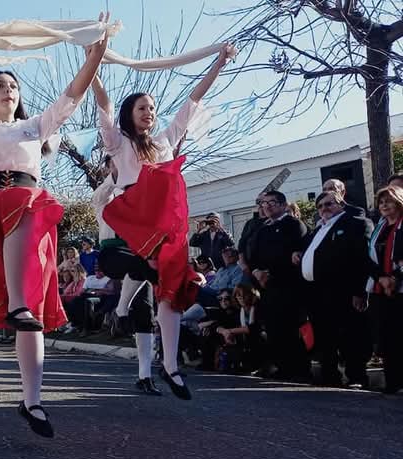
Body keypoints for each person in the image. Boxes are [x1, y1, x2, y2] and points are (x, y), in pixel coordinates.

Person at [0, 15, 107, 436]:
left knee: (31, 316)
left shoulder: (36, 126)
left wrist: (96, 53)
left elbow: (73, 95)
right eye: (0, 85)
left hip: (28, 214)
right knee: (23, 206)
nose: (8, 90)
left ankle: (32, 402)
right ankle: (16, 303)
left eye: (13, 85)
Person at [90, 42, 238, 400]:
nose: (150, 112)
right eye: (143, 107)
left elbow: (193, 101)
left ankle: (170, 367)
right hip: (133, 220)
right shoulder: (118, 144)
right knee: (146, 270)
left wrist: (219, 62)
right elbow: (103, 104)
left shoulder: (164, 141)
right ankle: (124, 308)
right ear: (130, 113)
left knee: (169, 291)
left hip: (165, 225)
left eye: (153, 108)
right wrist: (92, 62)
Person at [294, 191, 372, 387]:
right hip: (316, 292)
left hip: (343, 291)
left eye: (329, 204)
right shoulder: (318, 229)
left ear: (341, 204)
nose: (324, 209)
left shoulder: (355, 223)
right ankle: (330, 376)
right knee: (324, 336)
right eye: (320, 206)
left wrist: (359, 292)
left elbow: (361, 260)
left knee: (349, 335)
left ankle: (356, 377)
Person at [248, 190, 310, 381]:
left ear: (283, 205)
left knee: (291, 328)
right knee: (274, 329)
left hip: (289, 286)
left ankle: (299, 370)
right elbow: (253, 255)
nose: (266, 206)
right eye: (263, 203)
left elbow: (297, 254)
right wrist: (256, 271)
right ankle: (282, 366)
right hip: (268, 288)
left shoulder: (294, 225)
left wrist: (272, 272)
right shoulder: (262, 228)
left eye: (271, 202)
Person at [367, 186, 403, 394]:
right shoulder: (379, 229)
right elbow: (369, 258)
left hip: (399, 288)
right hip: (381, 289)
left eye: (388, 200)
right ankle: (393, 382)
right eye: (381, 202)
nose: (384, 205)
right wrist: (381, 278)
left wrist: (395, 279)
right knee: (387, 336)